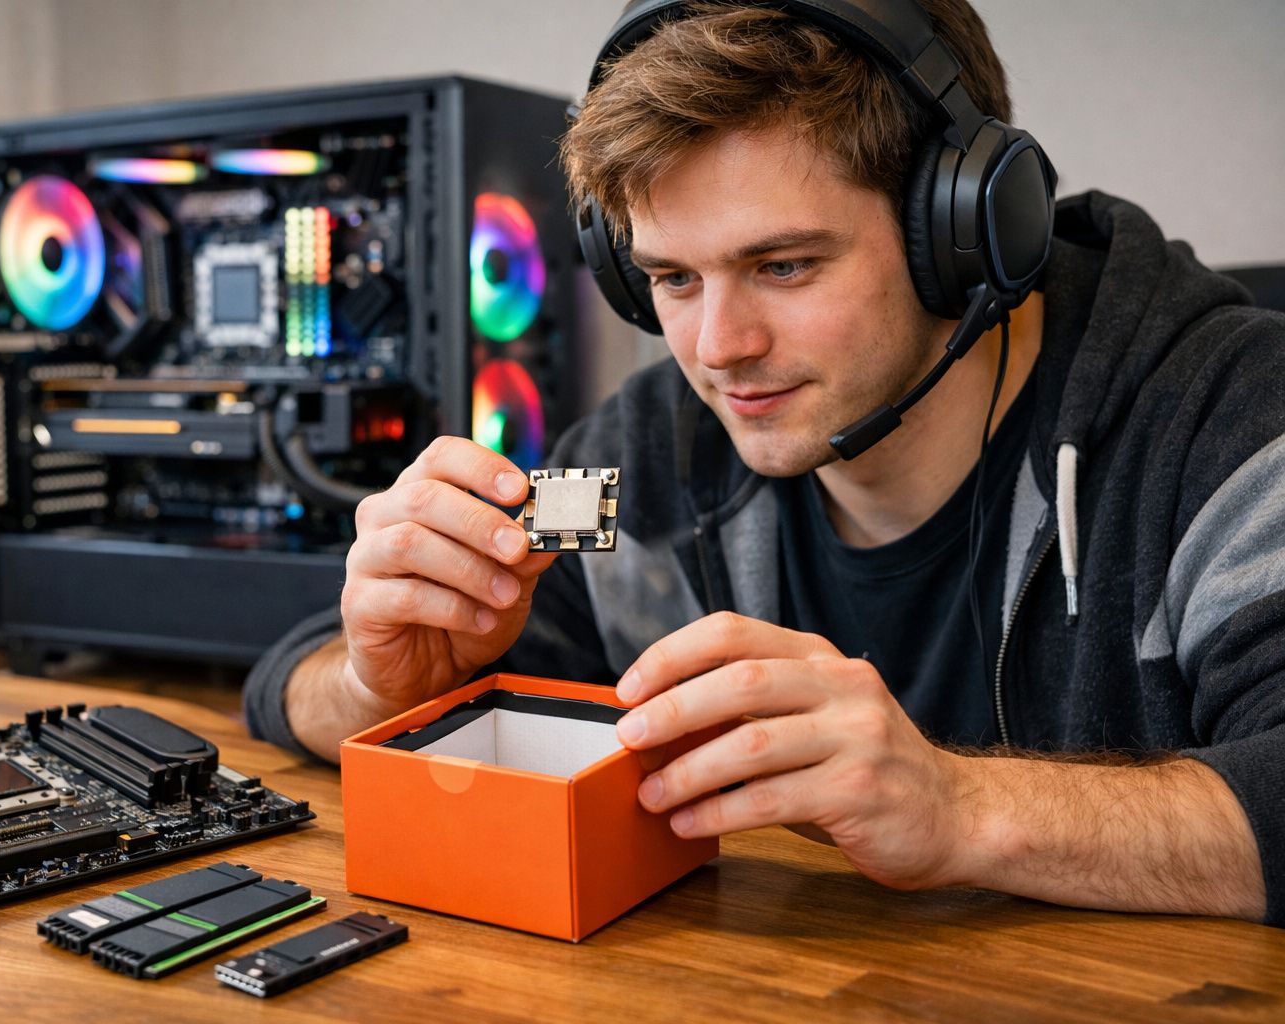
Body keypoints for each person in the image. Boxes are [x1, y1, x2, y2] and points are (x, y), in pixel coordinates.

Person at [245, 0, 1285, 925]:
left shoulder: (1222, 415)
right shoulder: (653, 446)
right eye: (671, 277)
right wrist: (383, 682)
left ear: (963, 236)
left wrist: (960, 807)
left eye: (782, 266)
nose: (715, 346)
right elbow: (282, 680)